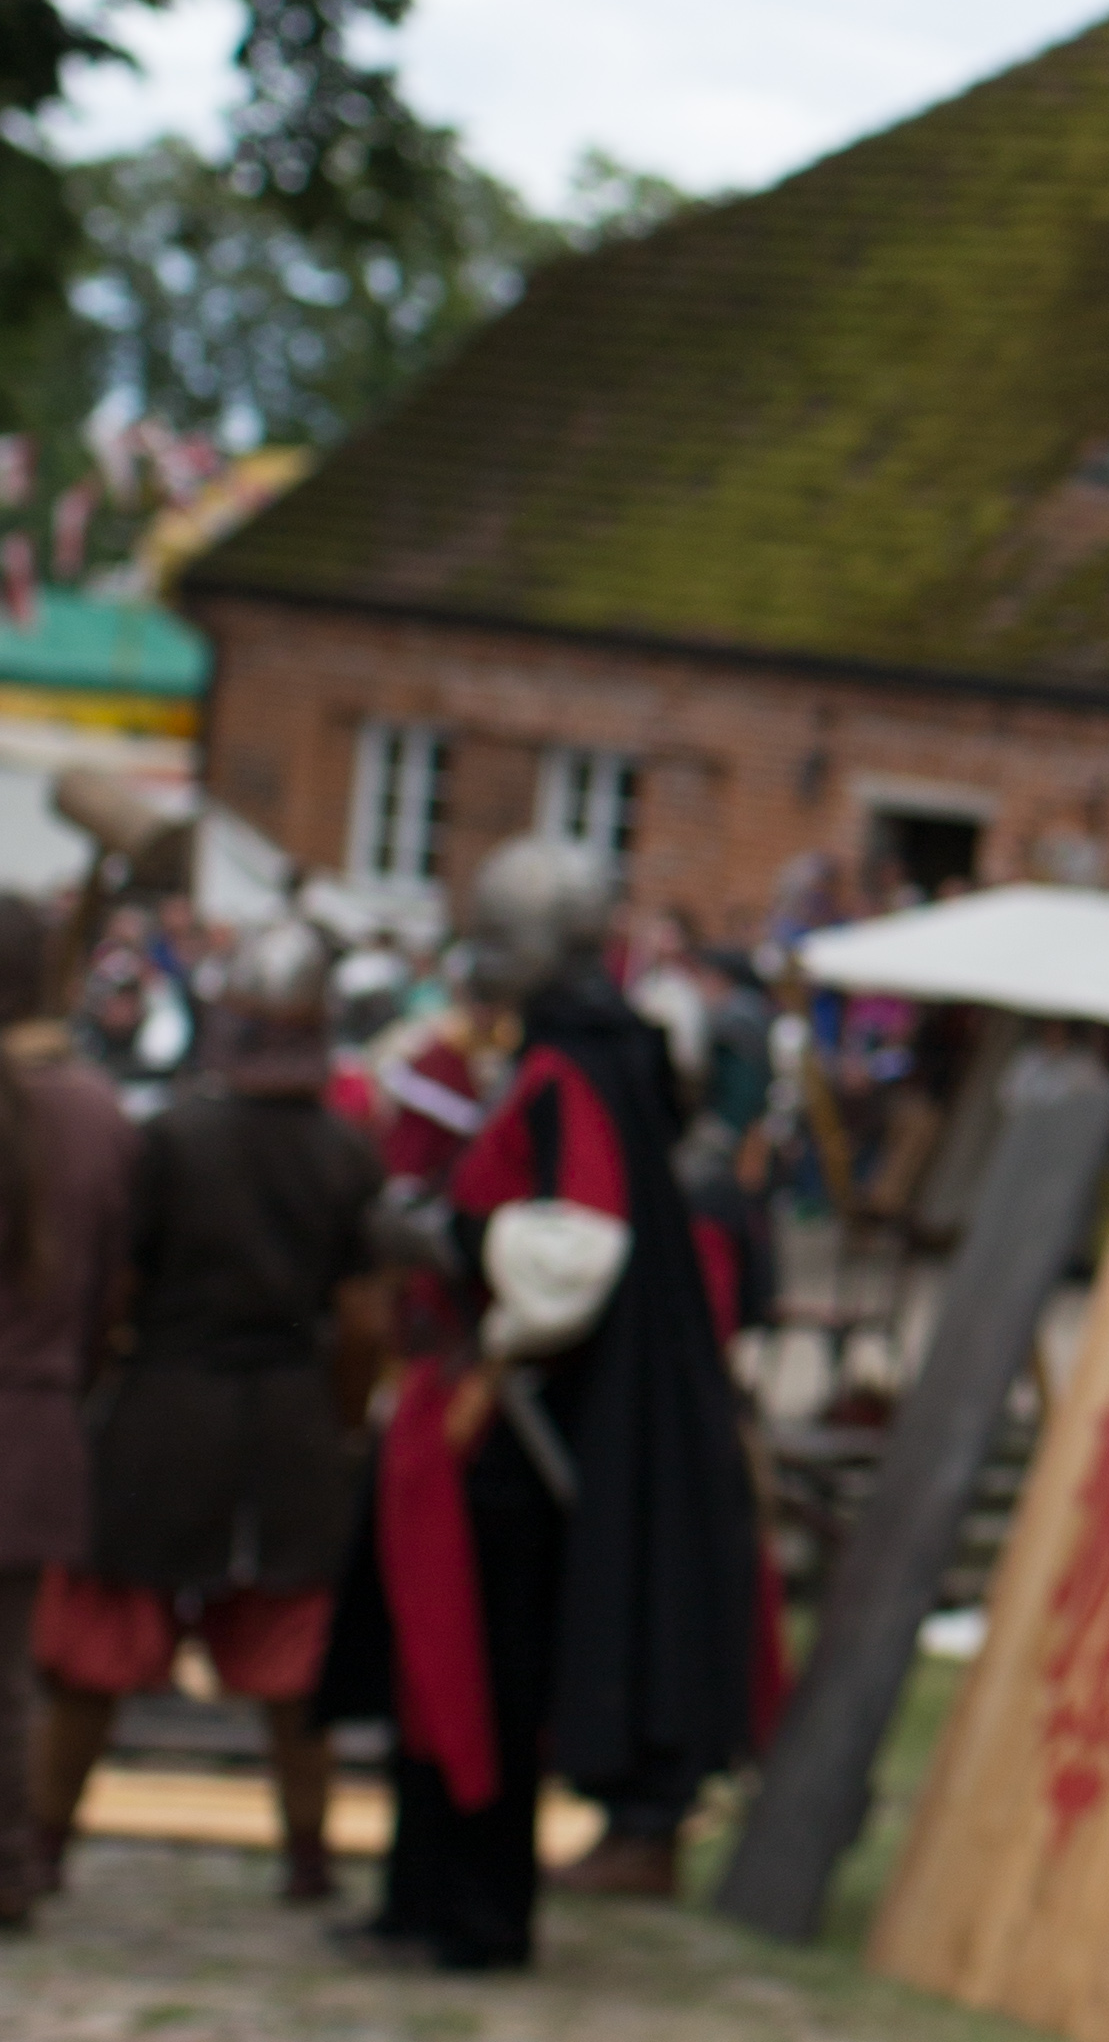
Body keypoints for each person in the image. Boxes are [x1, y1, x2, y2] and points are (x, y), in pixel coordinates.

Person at [323, 838, 764, 1965]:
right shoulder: (568, 1057)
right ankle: (425, 1897)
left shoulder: (572, 1069)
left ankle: (473, 1911)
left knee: (482, 1669)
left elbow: (578, 1244)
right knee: (439, 1662)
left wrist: (449, 1233)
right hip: (474, 1408)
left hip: (507, 1417)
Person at [32, 919, 382, 1907]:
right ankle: (307, 1859)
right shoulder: (343, 1151)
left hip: (165, 1417)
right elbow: (362, 1322)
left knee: (108, 1648)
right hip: (284, 1424)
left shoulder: (175, 1139)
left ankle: (45, 1849)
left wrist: (97, 1381)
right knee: (282, 1658)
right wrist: (339, 1421)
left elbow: (118, 1291)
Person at [0, 895, 138, 1929]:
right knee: (7, 1674)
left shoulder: (81, 1112)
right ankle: (10, 1863)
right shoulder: (97, 1111)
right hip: (38, 1417)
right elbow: (110, 1302)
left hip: (33, 1398)